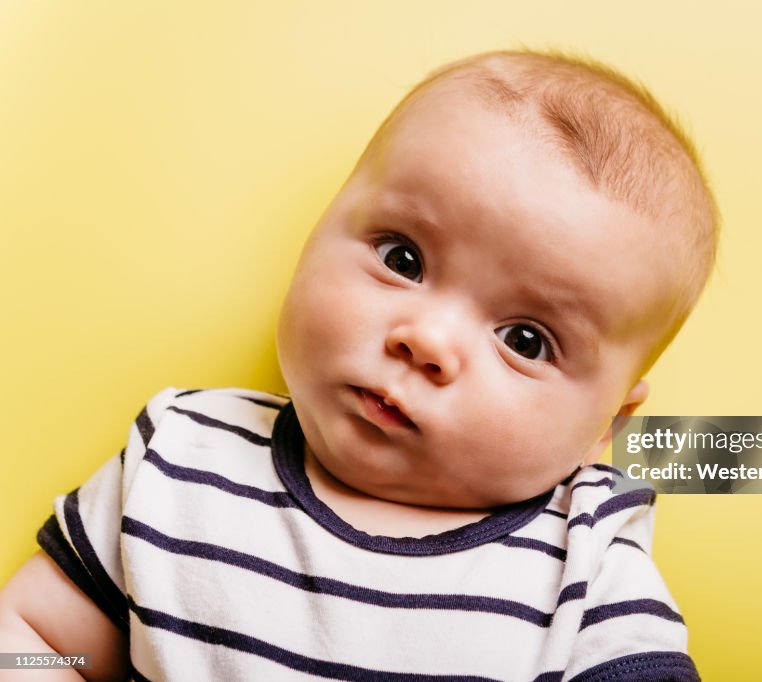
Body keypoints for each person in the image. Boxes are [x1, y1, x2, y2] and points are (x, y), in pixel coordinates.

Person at [0, 49, 717, 681]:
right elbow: (34, 641)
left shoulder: (586, 573)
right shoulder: (179, 458)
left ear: (605, 424)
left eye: (525, 340)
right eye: (402, 259)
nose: (427, 340)